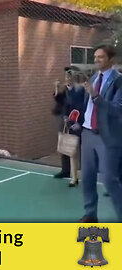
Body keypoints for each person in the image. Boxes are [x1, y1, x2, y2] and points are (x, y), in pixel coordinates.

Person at [79, 44, 122, 223]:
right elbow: (87, 105)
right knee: (87, 177)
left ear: (111, 60)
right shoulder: (95, 77)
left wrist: (96, 96)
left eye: (101, 57)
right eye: (95, 57)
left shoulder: (118, 81)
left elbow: (117, 109)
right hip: (88, 133)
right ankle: (90, 214)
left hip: (107, 137)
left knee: (110, 179)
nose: (96, 60)